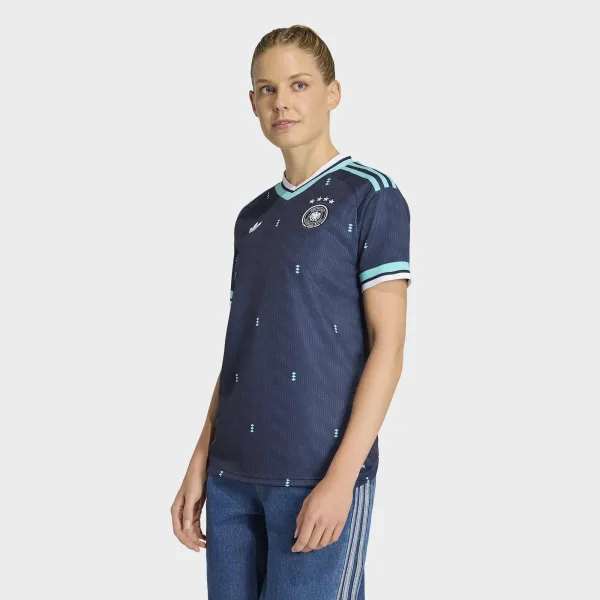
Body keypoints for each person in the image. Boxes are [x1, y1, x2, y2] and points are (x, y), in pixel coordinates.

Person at [171, 24, 411, 600]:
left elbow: (389, 346)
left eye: (299, 84)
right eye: (268, 89)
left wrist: (341, 479)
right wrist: (200, 459)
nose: (282, 102)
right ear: (253, 102)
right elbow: (241, 351)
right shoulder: (251, 219)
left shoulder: (370, 196)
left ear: (333, 92)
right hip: (232, 477)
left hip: (315, 472)